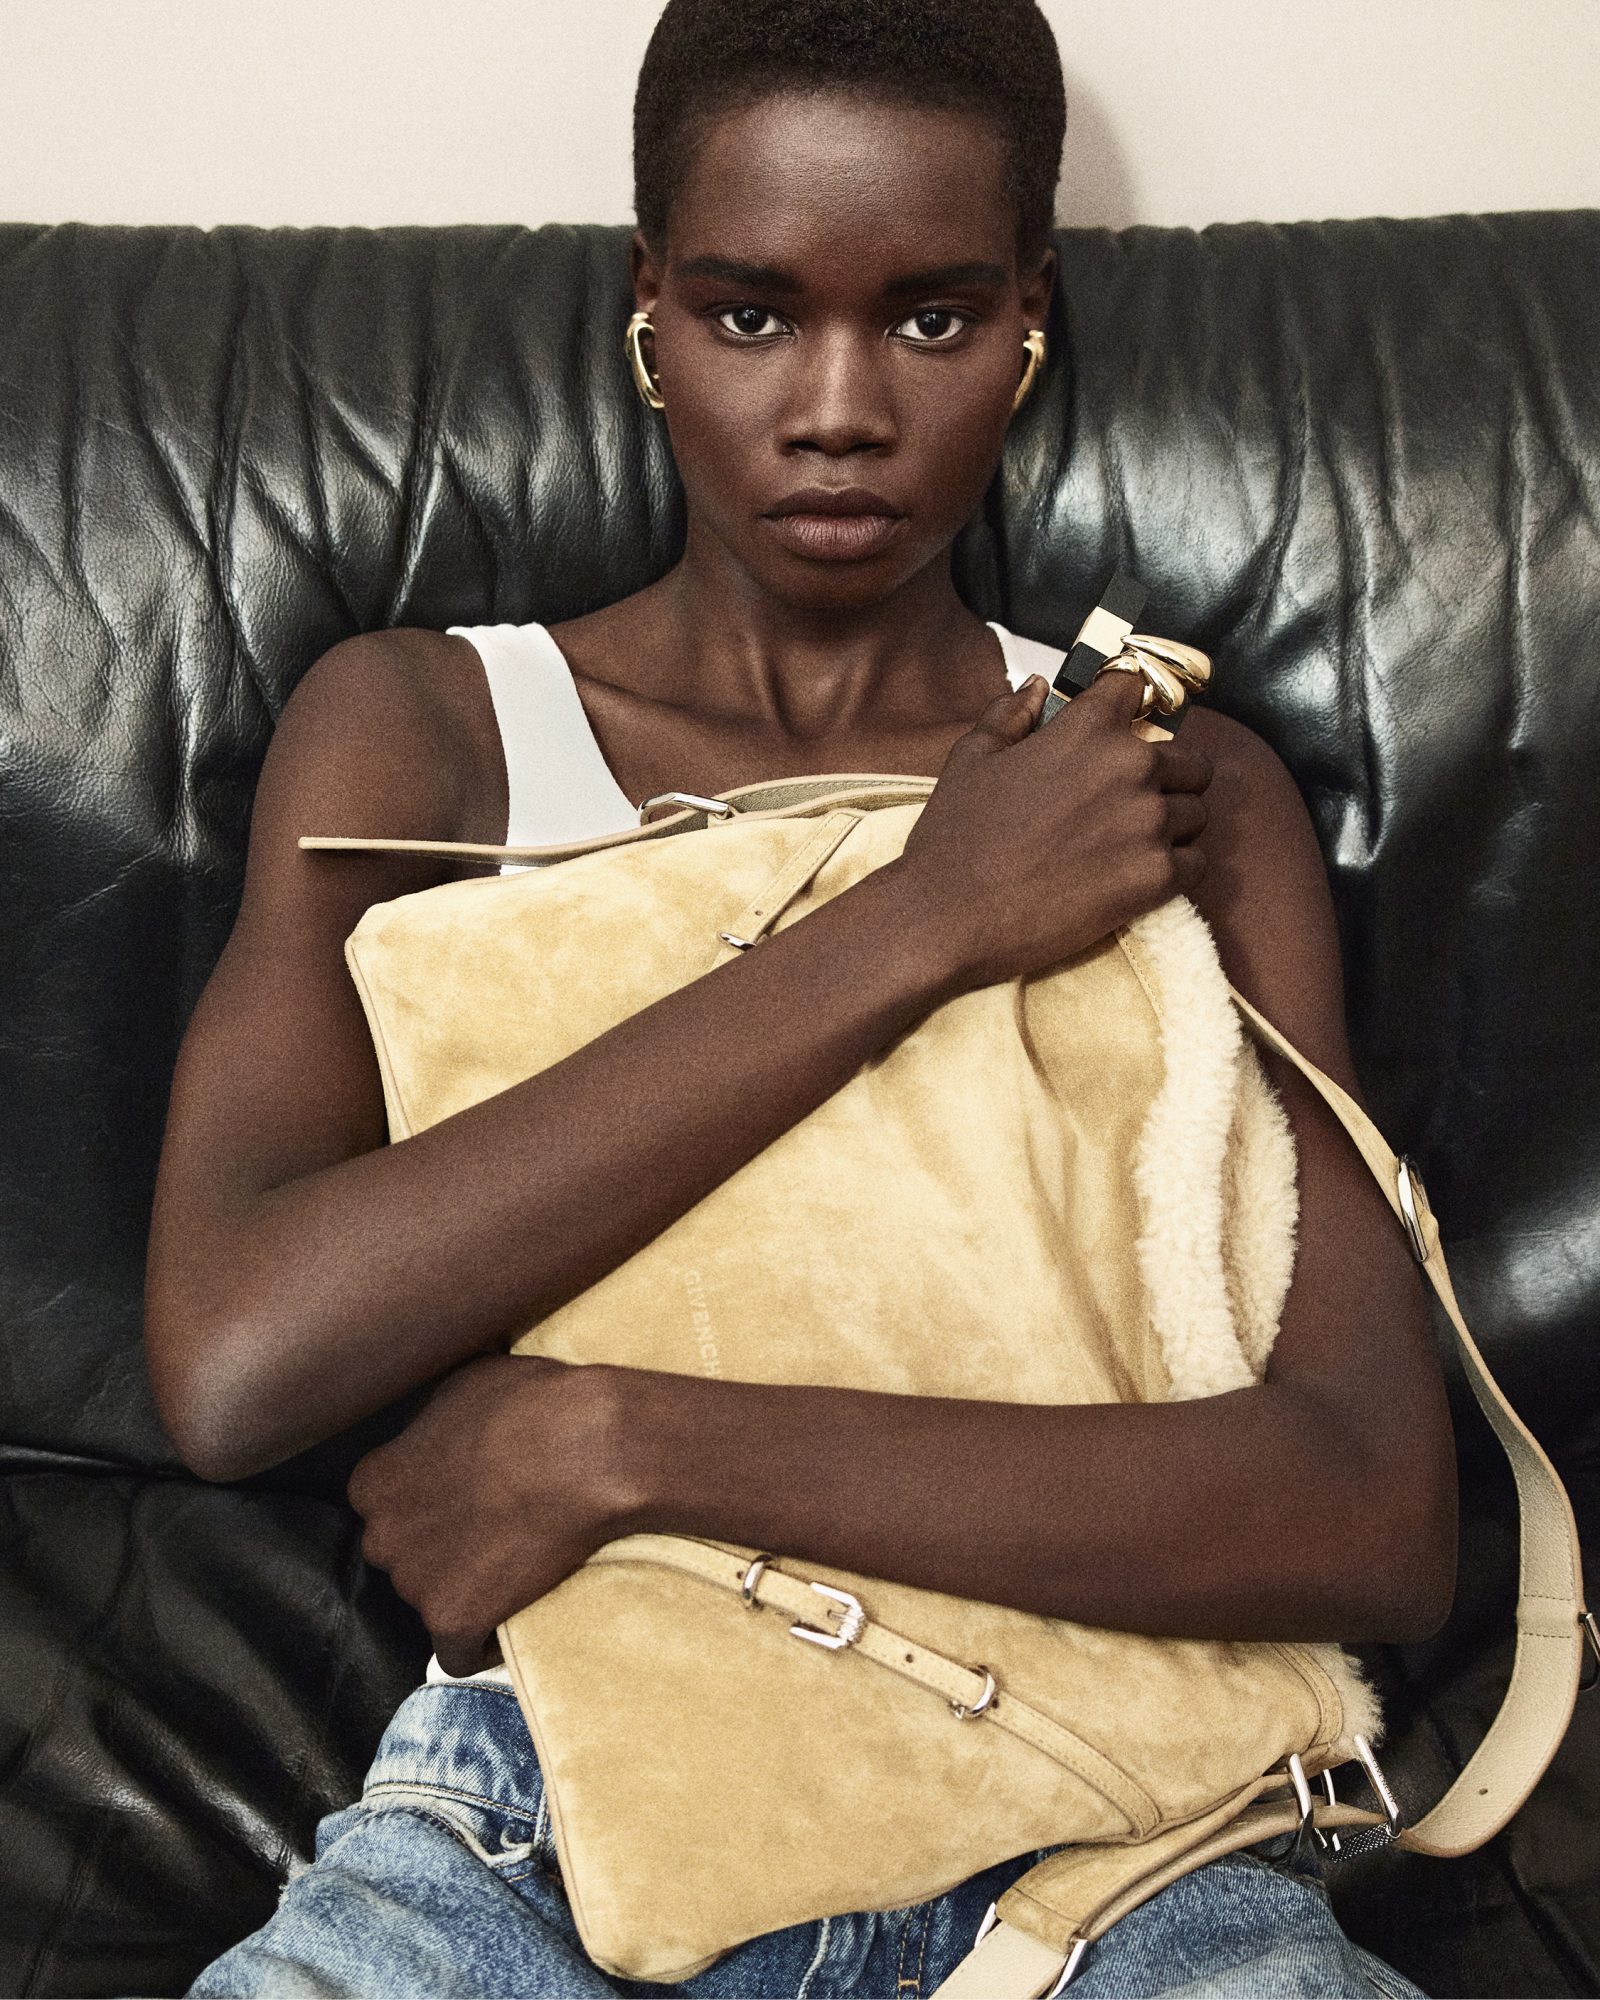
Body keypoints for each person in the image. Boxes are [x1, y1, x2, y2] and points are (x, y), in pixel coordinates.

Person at [147, 0, 1456, 1992]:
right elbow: (237, 1361)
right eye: (751, 313)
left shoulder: (1172, 789)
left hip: (1113, 1844)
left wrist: (617, 1440)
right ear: (648, 310)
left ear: (1028, 319)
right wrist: (922, 919)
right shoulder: (430, 728)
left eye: (930, 317)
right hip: (533, 1838)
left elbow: (1370, 1509)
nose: (838, 408)